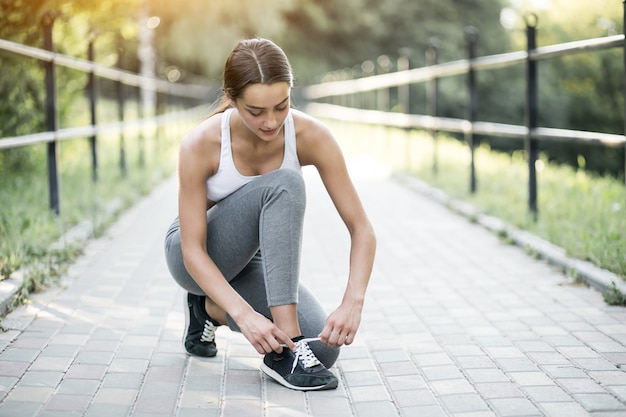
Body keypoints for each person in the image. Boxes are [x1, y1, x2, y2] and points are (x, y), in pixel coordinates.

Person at [164, 38, 376, 391]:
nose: (271, 122)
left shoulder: (312, 136)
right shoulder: (200, 144)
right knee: (286, 184)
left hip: (252, 261)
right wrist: (246, 318)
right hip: (195, 255)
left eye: (281, 106)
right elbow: (192, 250)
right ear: (231, 99)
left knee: (322, 351)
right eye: (255, 111)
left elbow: (362, 229)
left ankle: (208, 310)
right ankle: (283, 352)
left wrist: (352, 302)